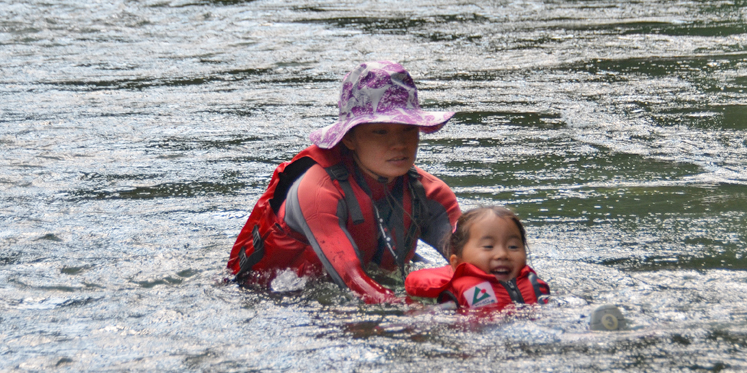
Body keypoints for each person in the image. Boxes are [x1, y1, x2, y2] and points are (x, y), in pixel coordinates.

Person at [227, 61, 461, 303]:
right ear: (349, 139)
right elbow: (352, 280)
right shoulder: (318, 190)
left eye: (407, 130)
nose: (399, 144)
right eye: (380, 131)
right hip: (272, 302)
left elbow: (477, 262)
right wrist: (417, 313)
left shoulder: (431, 193)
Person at [405, 206, 550, 312]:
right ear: (457, 263)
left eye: (513, 247)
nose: (502, 254)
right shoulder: (456, 297)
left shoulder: (536, 286)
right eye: (488, 246)